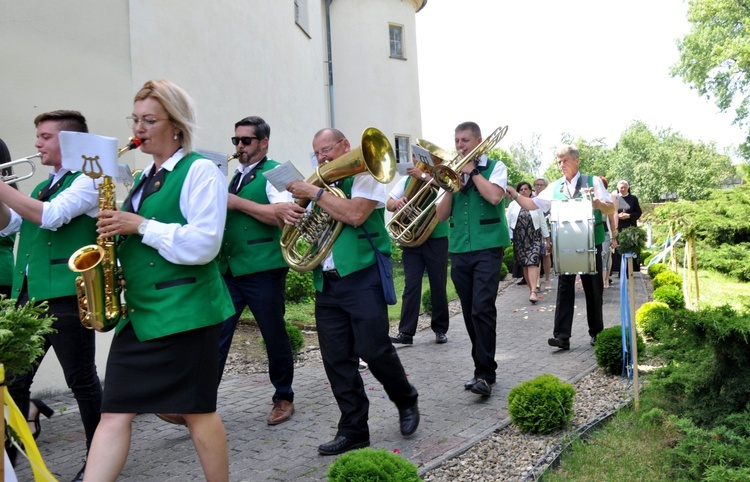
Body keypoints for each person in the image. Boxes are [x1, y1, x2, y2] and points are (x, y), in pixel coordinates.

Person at [84, 79, 234, 482]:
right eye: (136, 119)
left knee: (198, 412)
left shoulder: (200, 170)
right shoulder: (143, 177)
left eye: (150, 120)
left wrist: (141, 225)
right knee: (113, 411)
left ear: (177, 126)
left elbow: (205, 245)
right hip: (143, 315)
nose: (140, 128)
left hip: (188, 313)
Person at [284, 128, 419, 456]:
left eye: (327, 150)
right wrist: (292, 212)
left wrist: (313, 194)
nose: (322, 158)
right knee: (336, 359)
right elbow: (302, 228)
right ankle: (354, 429)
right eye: (316, 153)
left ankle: (406, 399)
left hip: (362, 275)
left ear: (346, 146)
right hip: (326, 280)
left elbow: (356, 214)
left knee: (374, 350)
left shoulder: (366, 171)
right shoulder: (320, 185)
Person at [0, 111, 102, 482]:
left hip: (65, 293)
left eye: (45, 136)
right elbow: (12, 223)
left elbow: (52, 216)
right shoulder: (46, 183)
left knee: (81, 381)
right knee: (13, 383)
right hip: (28, 293)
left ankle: (98, 459)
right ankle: (7, 462)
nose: (37, 144)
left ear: (70, 143)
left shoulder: (89, 179)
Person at [216, 115, 297, 425]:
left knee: (273, 334)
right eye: (235, 140)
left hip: (264, 268)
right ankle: (199, 404)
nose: (239, 146)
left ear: (263, 142)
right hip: (230, 268)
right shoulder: (234, 176)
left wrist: (236, 203)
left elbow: (285, 215)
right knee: (217, 335)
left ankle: (284, 397)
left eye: (245, 141)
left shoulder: (276, 172)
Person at [507, 144, 614, 350]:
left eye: (565, 160)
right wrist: (514, 194)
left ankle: (596, 333)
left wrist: (598, 203)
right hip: (566, 245)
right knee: (564, 288)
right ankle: (562, 337)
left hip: (591, 243)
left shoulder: (593, 182)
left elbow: (611, 207)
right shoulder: (555, 186)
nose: (561, 165)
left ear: (576, 160)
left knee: (593, 289)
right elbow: (533, 204)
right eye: (558, 161)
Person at [435, 121, 511, 398]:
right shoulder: (453, 173)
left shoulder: (496, 167)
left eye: (465, 140)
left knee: (482, 308)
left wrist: (474, 172)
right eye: (457, 141)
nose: (459, 146)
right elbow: (441, 216)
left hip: (489, 247)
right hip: (459, 249)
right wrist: (448, 187)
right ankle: (481, 367)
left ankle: (485, 374)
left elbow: (494, 197)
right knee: (469, 311)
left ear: (479, 142)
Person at [387, 154, 450, 345]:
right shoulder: (406, 180)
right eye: (415, 158)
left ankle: (440, 330)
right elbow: (389, 202)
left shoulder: (440, 179)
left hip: (436, 238)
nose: (416, 161)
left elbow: (446, 190)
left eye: (421, 158)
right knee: (411, 285)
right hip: (412, 240)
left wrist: (423, 177)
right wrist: (397, 204)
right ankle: (406, 332)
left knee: (438, 284)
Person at [506, 181, 549, 304]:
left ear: (530, 190)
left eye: (526, 189)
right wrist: (507, 238)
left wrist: (547, 239)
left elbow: (542, 222)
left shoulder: (536, 204)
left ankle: (533, 291)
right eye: (521, 189)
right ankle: (532, 288)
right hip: (520, 239)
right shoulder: (513, 205)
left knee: (533, 263)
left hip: (534, 238)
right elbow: (507, 221)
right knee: (525, 264)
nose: (523, 191)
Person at [612, 179, 642, 272]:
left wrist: (629, 215)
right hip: (618, 227)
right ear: (618, 188)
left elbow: (638, 212)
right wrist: (617, 215)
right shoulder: (615, 198)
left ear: (628, 188)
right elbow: (611, 212)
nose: (623, 189)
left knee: (629, 249)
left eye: (625, 187)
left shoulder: (633, 199)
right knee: (618, 249)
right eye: (621, 187)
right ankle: (617, 269)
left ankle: (630, 270)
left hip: (630, 227)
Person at [533, 177, 553, 291]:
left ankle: (546, 279)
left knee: (546, 254)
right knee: (536, 255)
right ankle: (536, 280)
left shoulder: (549, 199)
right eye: (537, 184)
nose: (539, 186)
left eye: (541, 184)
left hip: (547, 229)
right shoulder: (532, 199)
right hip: (534, 229)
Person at [598, 176, 618, 288]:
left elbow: (612, 219)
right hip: (593, 232)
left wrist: (614, 237)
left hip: (605, 230)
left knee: (605, 256)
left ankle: (605, 280)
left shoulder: (609, 198)